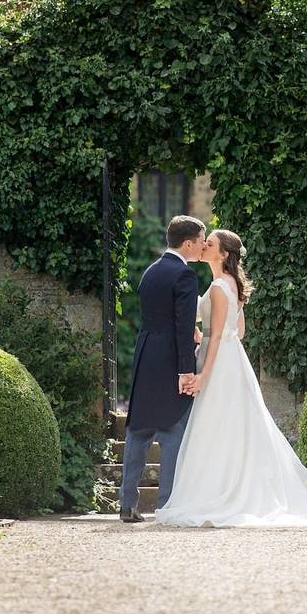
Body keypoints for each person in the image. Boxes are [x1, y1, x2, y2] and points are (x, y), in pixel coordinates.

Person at [155, 229, 307, 527]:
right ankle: (230, 486)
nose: (204, 246)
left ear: (223, 254)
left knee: (214, 425)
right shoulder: (230, 285)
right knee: (228, 425)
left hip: (218, 364)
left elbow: (218, 338)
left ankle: (220, 493)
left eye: (209, 244)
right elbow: (238, 332)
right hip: (232, 359)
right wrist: (207, 332)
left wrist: (202, 374)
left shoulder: (217, 287)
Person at [119, 215, 205, 522]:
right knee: (172, 433)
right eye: (200, 241)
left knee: (138, 431)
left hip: (145, 357)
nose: (203, 246)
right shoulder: (184, 275)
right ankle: (166, 507)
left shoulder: (150, 272)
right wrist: (186, 369)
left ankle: (127, 504)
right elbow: (182, 326)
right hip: (171, 360)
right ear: (188, 243)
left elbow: (158, 317)